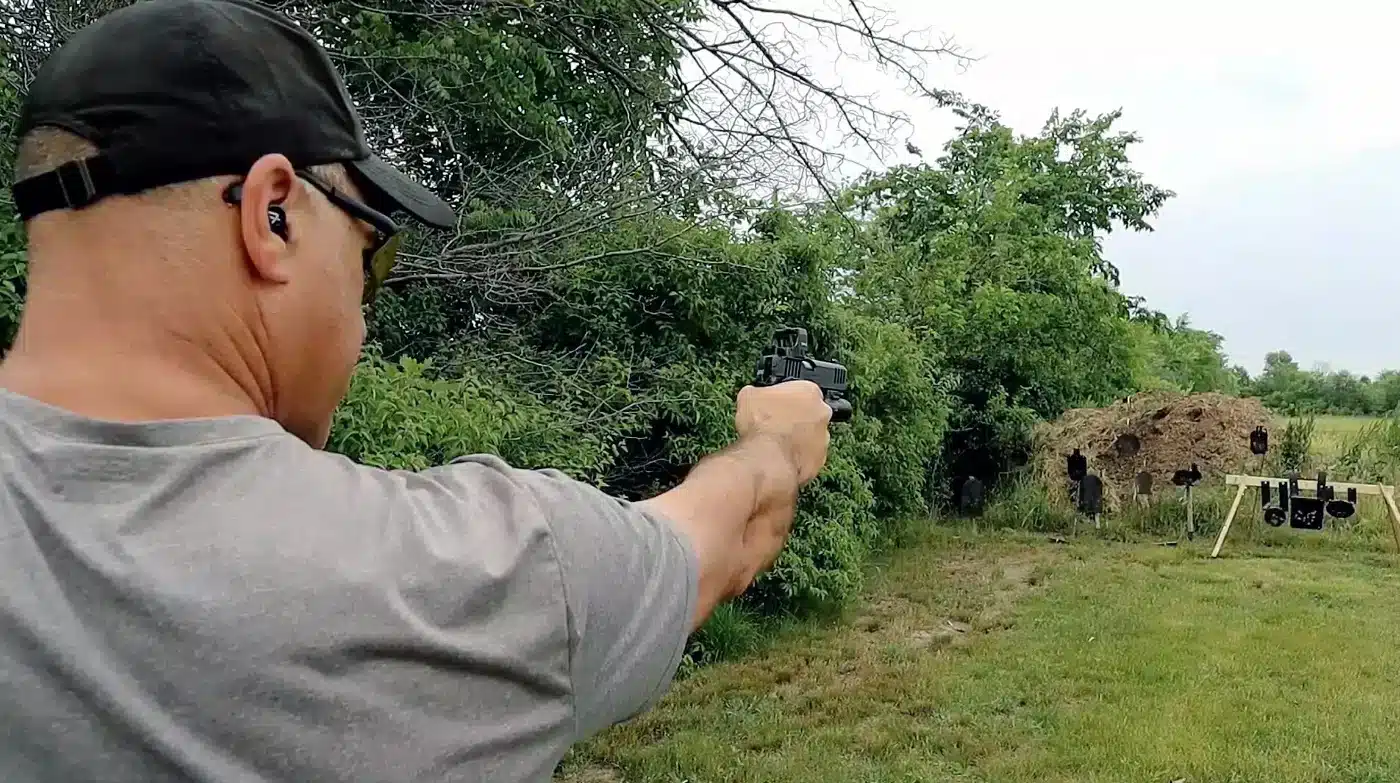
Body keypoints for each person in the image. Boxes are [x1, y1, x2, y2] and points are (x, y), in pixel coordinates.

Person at [0, 1, 832, 781]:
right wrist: (774, 440)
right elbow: (718, 542)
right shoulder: (487, 572)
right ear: (274, 216)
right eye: (373, 255)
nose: (367, 310)